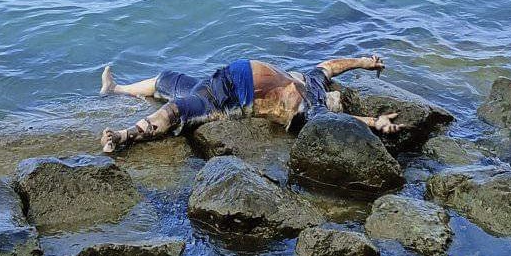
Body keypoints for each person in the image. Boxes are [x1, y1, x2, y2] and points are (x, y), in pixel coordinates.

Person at [99, 55, 406, 152]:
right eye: (338, 96)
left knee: (176, 110)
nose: (337, 95)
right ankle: (117, 89)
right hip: (217, 78)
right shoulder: (313, 81)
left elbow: (343, 122)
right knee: (166, 78)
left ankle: (123, 135)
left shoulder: (316, 109)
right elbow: (331, 66)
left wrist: (373, 122)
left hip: (221, 100)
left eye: (340, 101)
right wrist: (365, 61)